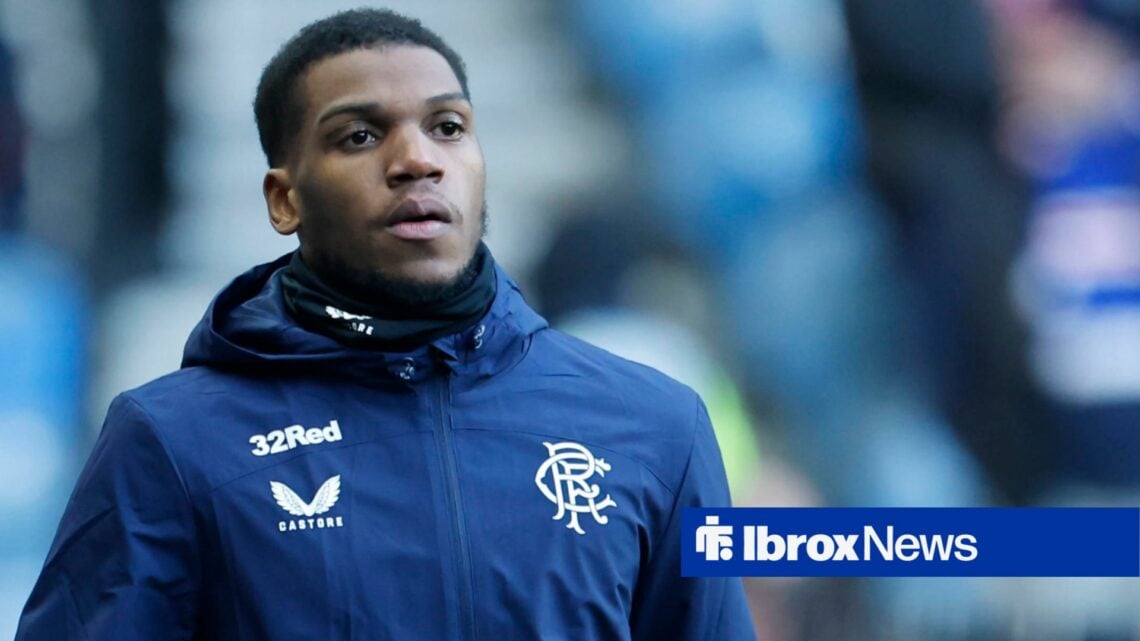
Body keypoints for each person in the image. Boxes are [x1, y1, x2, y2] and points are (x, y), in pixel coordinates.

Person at [14, 8, 753, 640]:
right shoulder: (174, 442)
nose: (417, 160)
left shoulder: (656, 425)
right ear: (284, 200)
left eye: (448, 127)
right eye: (360, 136)